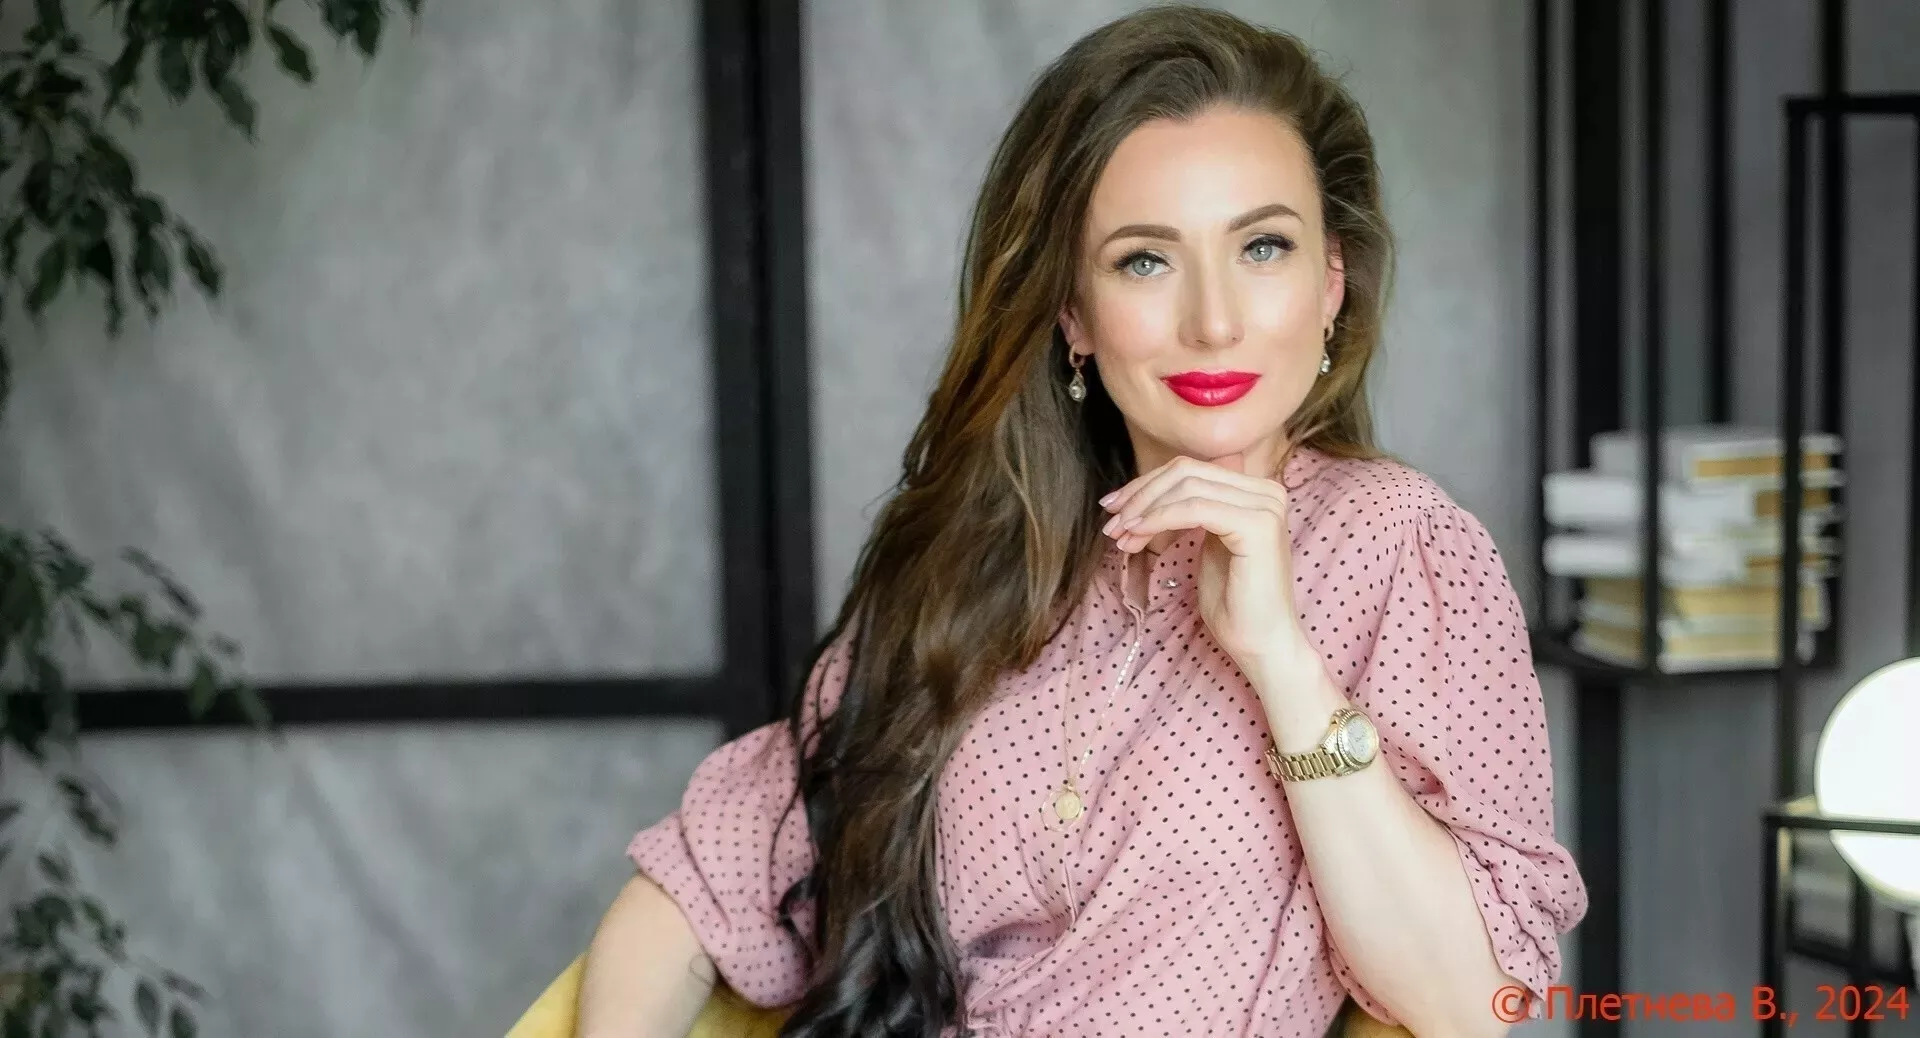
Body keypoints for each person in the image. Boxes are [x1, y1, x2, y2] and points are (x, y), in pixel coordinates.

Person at [577, 7, 1587, 1036]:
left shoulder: (1397, 543)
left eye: (1263, 246)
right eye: (1145, 260)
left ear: (1332, 281)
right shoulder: (977, 564)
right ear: (1073, 313)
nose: (1214, 321)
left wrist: (1282, 662)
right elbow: (696, 883)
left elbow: (1470, 1004)